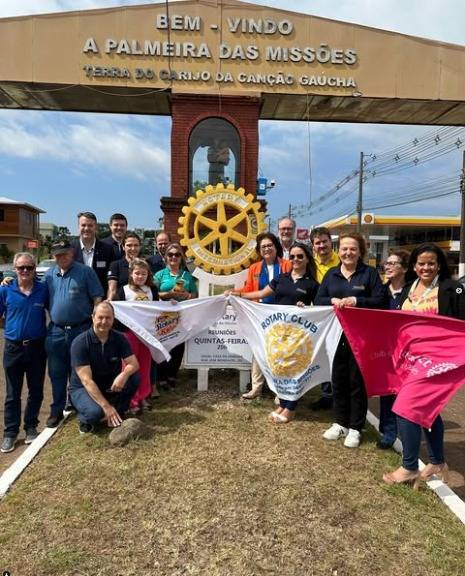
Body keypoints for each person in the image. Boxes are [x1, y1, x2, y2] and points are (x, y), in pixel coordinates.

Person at [383, 243, 465, 486]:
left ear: (439, 265)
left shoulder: (451, 288)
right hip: (411, 360)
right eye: (421, 263)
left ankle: (409, 466)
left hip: (439, 361)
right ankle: (437, 462)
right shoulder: (409, 287)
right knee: (428, 410)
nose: (426, 267)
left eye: (431, 263)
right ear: (414, 266)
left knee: (404, 407)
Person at [231, 242, 319, 423]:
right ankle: (283, 404)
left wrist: (306, 307)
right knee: (280, 369)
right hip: (279, 332)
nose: (295, 259)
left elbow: (318, 309)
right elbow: (261, 293)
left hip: (297, 335)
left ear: (307, 259)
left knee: (294, 370)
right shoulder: (281, 278)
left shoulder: (312, 284)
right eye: (292, 256)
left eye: (300, 256)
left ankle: (291, 409)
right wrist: (237, 294)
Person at [315, 233, 387, 448]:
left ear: (360, 251)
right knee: (338, 379)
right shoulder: (332, 274)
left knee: (357, 382)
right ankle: (340, 423)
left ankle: (356, 427)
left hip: (361, 337)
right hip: (336, 335)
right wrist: (332, 300)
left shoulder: (369, 274)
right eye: (344, 248)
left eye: (353, 249)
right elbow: (318, 299)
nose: (348, 252)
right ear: (339, 251)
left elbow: (380, 301)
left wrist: (357, 300)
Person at [44, 240, 104, 428]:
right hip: (56, 331)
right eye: (57, 254)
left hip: (81, 329)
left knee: (80, 373)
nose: (61, 257)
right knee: (56, 373)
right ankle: (56, 410)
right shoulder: (49, 274)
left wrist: (95, 320)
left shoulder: (85, 271)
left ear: (71, 252)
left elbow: (97, 296)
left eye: (65, 253)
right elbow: (38, 294)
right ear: (53, 256)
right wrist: (9, 282)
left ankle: (81, 409)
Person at [0, 253, 48, 453]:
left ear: (35, 269)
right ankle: (10, 433)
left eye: (29, 267)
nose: (25, 271)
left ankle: (31, 427)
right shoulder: (5, 289)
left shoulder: (43, 289)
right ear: (15, 269)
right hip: (13, 348)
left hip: (37, 347)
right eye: (21, 268)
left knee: (36, 390)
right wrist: (12, 329)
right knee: (13, 393)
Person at [69, 302, 140, 434]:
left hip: (108, 383)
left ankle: (119, 412)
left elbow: (134, 364)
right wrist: (106, 407)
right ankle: (86, 417)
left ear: (113, 319)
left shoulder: (120, 338)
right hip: (83, 387)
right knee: (95, 413)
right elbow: (87, 381)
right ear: (93, 317)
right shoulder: (80, 343)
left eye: (108, 318)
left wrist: (123, 375)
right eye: (100, 317)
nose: (104, 322)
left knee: (134, 377)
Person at [238, 232, 292, 400]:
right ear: (259, 250)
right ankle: (256, 388)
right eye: (263, 247)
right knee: (259, 350)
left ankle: (279, 391)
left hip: (281, 314)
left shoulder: (287, 265)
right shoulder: (254, 268)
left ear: (276, 247)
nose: (267, 249)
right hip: (260, 314)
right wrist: (234, 293)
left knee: (280, 352)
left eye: (270, 245)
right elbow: (248, 290)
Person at [377, 249, 410, 450]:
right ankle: (388, 433)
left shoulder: (412, 292)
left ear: (404, 268)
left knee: (406, 394)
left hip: (407, 351)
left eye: (392, 263)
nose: (387, 267)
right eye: (386, 264)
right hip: (385, 350)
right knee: (387, 391)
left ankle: (407, 434)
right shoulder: (381, 291)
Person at [116, 259, 159, 414]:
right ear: (131, 274)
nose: (140, 276)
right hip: (130, 334)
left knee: (145, 366)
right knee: (129, 367)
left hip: (147, 334)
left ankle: (143, 397)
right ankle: (131, 400)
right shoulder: (123, 290)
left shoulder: (152, 290)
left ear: (148, 275)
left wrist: (172, 305)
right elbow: (117, 312)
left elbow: (158, 309)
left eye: (143, 274)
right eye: (137, 273)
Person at [154, 242, 198, 388]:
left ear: (181, 258)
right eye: (170, 254)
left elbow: (195, 294)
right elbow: (153, 293)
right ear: (166, 257)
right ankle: (161, 376)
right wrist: (169, 294)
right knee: (163, 343)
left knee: (178, 344)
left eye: (177, 255)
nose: (174, 257)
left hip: (181, 315)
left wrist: (187, 295)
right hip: (163, 316)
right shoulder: (159, 275)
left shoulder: (187, 275)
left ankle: (172, 374)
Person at [309, 226, 340, 411]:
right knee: (322, 354)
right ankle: (327, 395)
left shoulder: (341, 260)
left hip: (339, 315)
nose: (322, 246)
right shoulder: (310, 264)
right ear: (313, 246)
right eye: (317, 243)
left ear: (330, 242)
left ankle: (340, 395)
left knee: (338, 356)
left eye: (324, 242)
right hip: (318, 316)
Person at [70, 211, 115, 293]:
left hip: (101, 297)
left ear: (95, 227)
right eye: (83, 225)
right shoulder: (69, 249)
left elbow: (111, 277)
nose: (86, 228)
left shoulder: (108, 250)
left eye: (90, 225)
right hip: (75, 297)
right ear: (78, 226)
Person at [107, 233, 143, 300]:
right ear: (123, 247)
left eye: (136, 245)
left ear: (140, 247)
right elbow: (112, 289)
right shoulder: (115, 265)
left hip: (143, 302)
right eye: (129, 245)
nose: (133, 248)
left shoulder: (146, 264)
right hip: (123, 304)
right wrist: (109, 300)